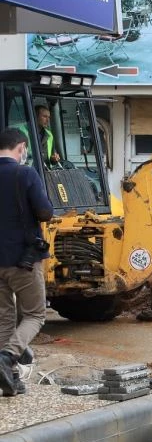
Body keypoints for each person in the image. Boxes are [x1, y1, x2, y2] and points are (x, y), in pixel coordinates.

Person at [0, 128, 54, 396]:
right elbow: (45, 212)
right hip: (23, 260)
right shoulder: (25, 173)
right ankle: (8, 357)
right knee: (34, 314)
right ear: (20, 147)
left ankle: (10, 381)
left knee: (4, 317)